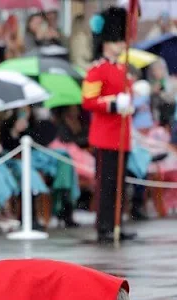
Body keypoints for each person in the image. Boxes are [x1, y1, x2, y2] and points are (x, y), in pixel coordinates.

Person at [82, 7, 136, 243]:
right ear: (106, 42)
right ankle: (104, 225)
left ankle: (116, 223)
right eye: (116, 41)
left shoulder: (122, 69)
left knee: (119, 186)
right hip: (105, 137)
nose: (120, 45)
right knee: (106, 185)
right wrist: (114, 104)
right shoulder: (97, 70)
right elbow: (88, 101)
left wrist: (128, 104)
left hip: (122, 136)